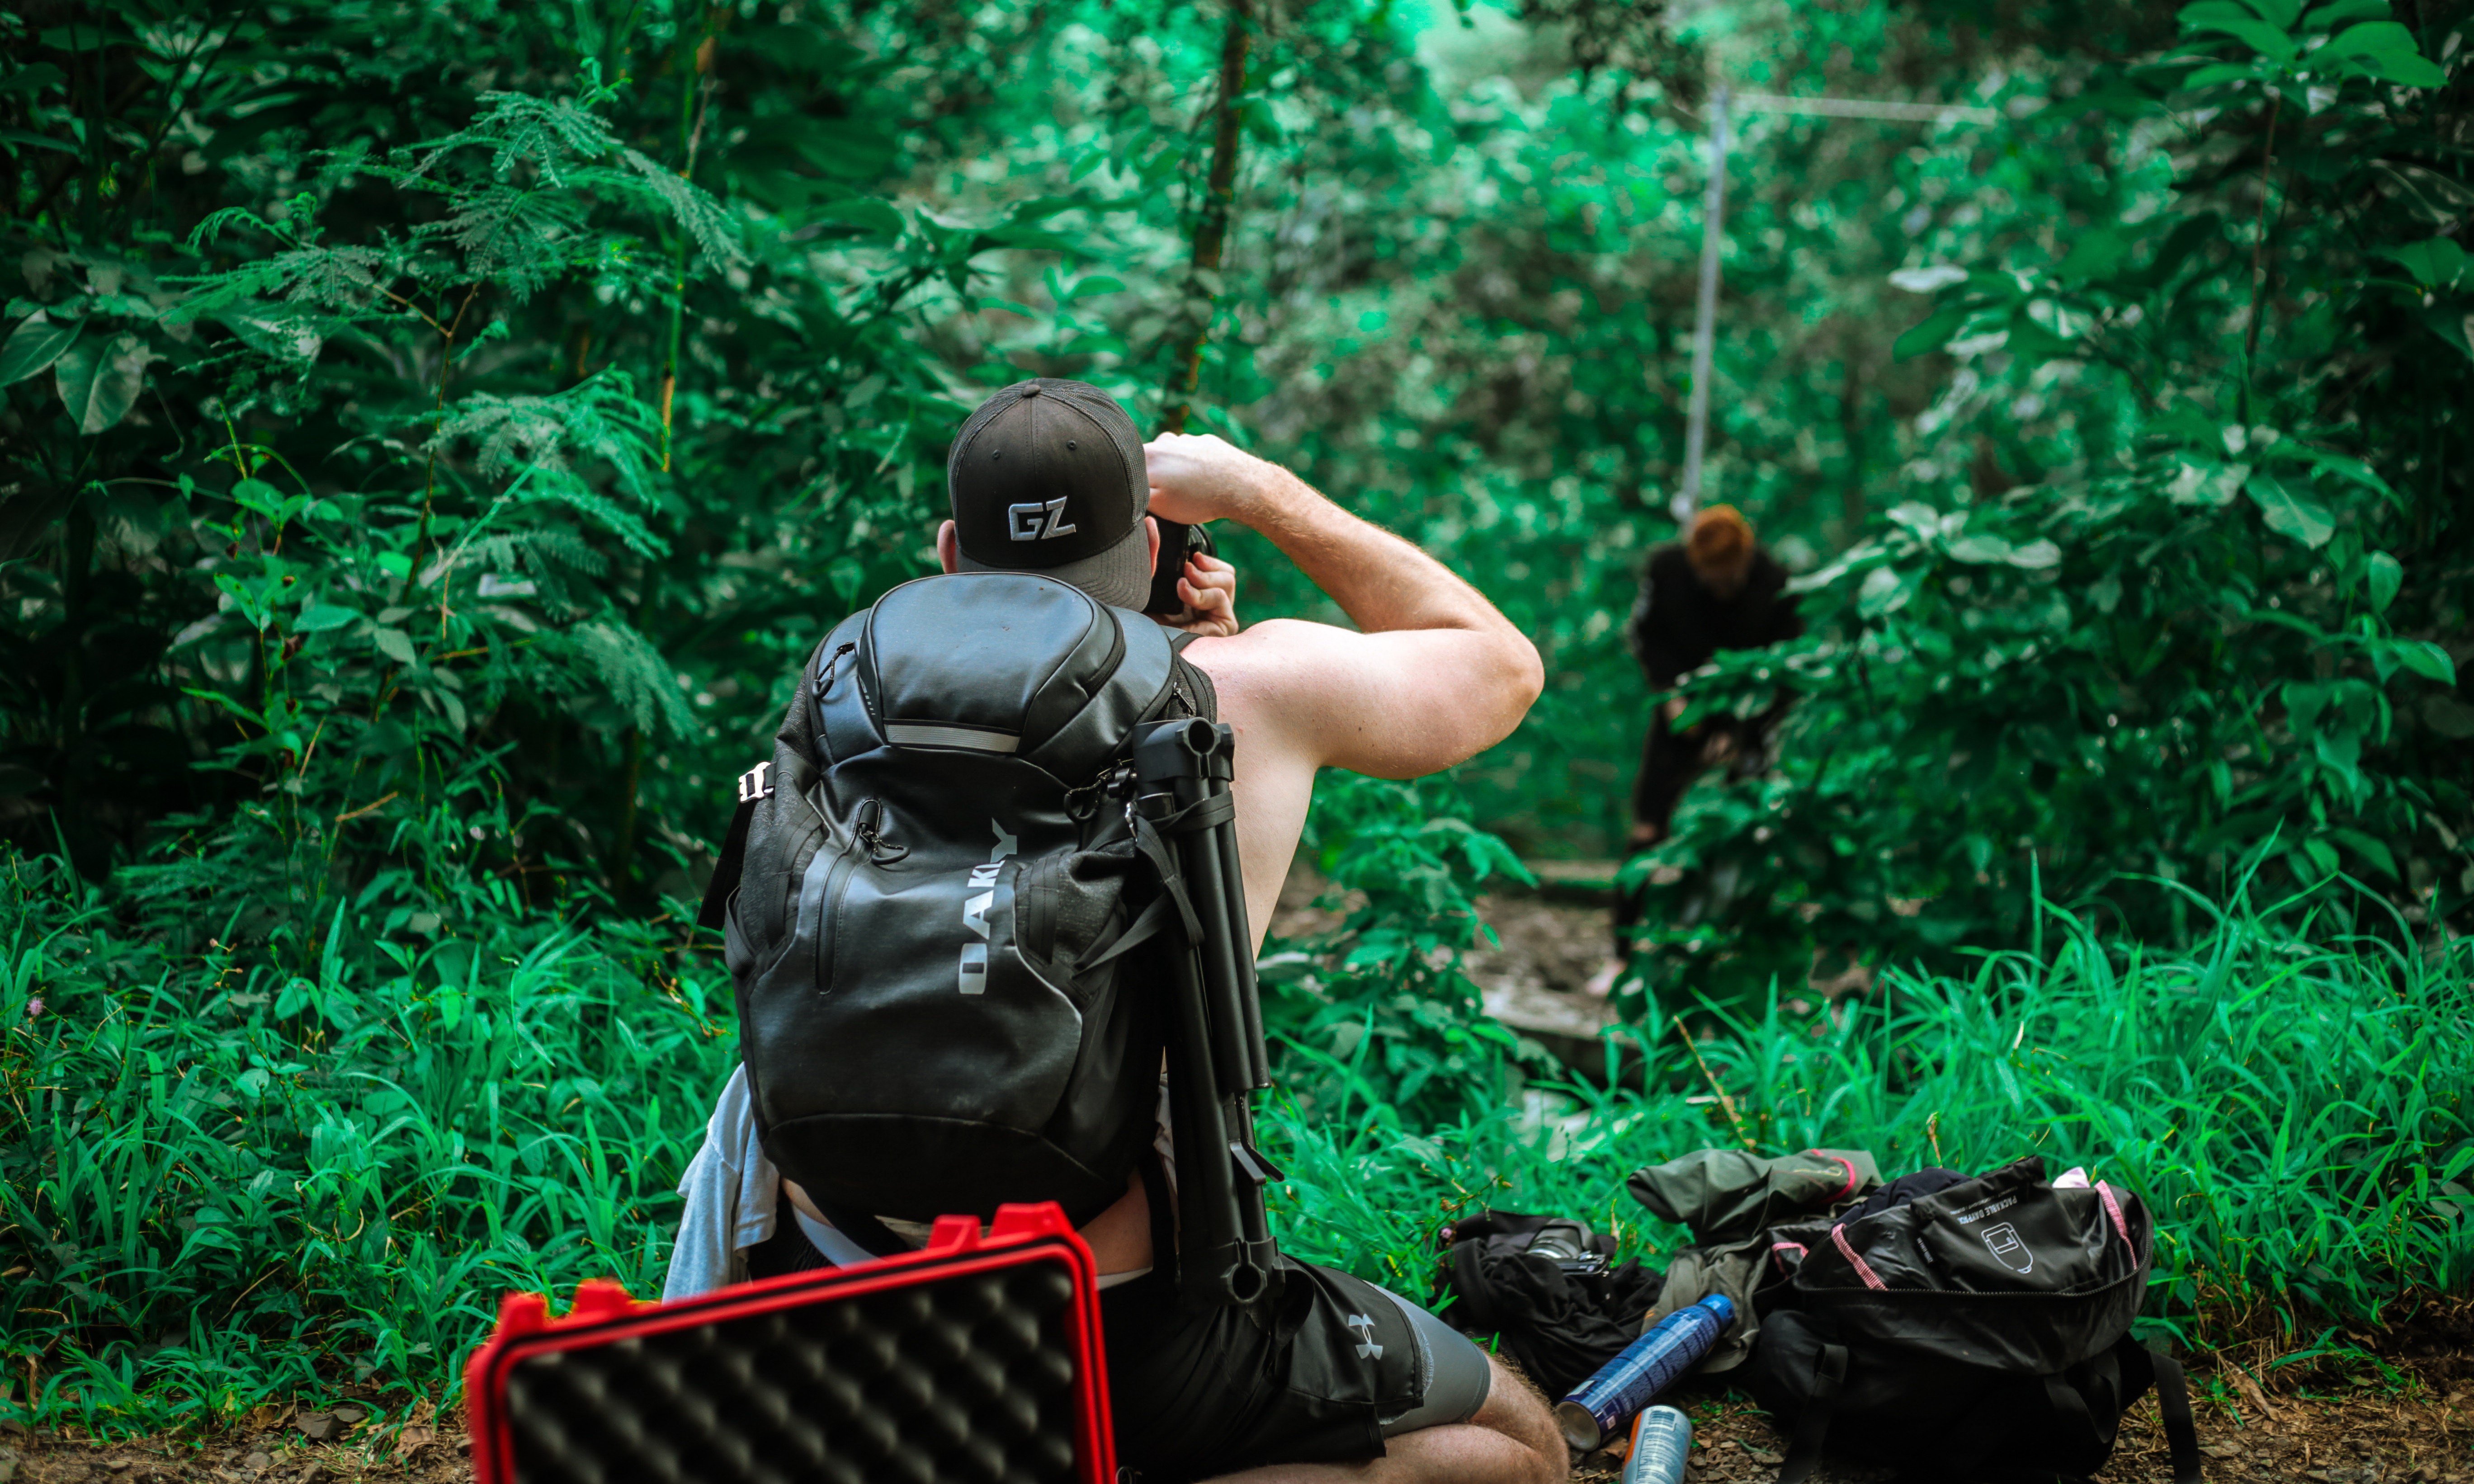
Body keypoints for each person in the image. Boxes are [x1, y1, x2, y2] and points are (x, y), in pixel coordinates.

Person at [668, 380, 1560, 1484]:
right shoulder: (1239, 690)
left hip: (822, 1285)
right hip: (1111, 1326)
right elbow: (1499, 664)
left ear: (950, 553)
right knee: (1514, 1447)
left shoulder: (852, 693)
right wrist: (1259, 491)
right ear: (1148, 545)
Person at [1614, 505, 1802, 952]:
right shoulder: (1667, 570)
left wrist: (1738, 732)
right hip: (1678, 713)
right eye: (1711, 578)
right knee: (1647, 831)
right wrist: (1672, 697)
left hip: (1749, 720)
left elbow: (1787, 674)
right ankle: (1621, 954)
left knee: (1743, 834)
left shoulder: (1778, 586)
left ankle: (1724, 949)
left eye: (1728, 578)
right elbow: (1646, 637)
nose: (1720, 587)